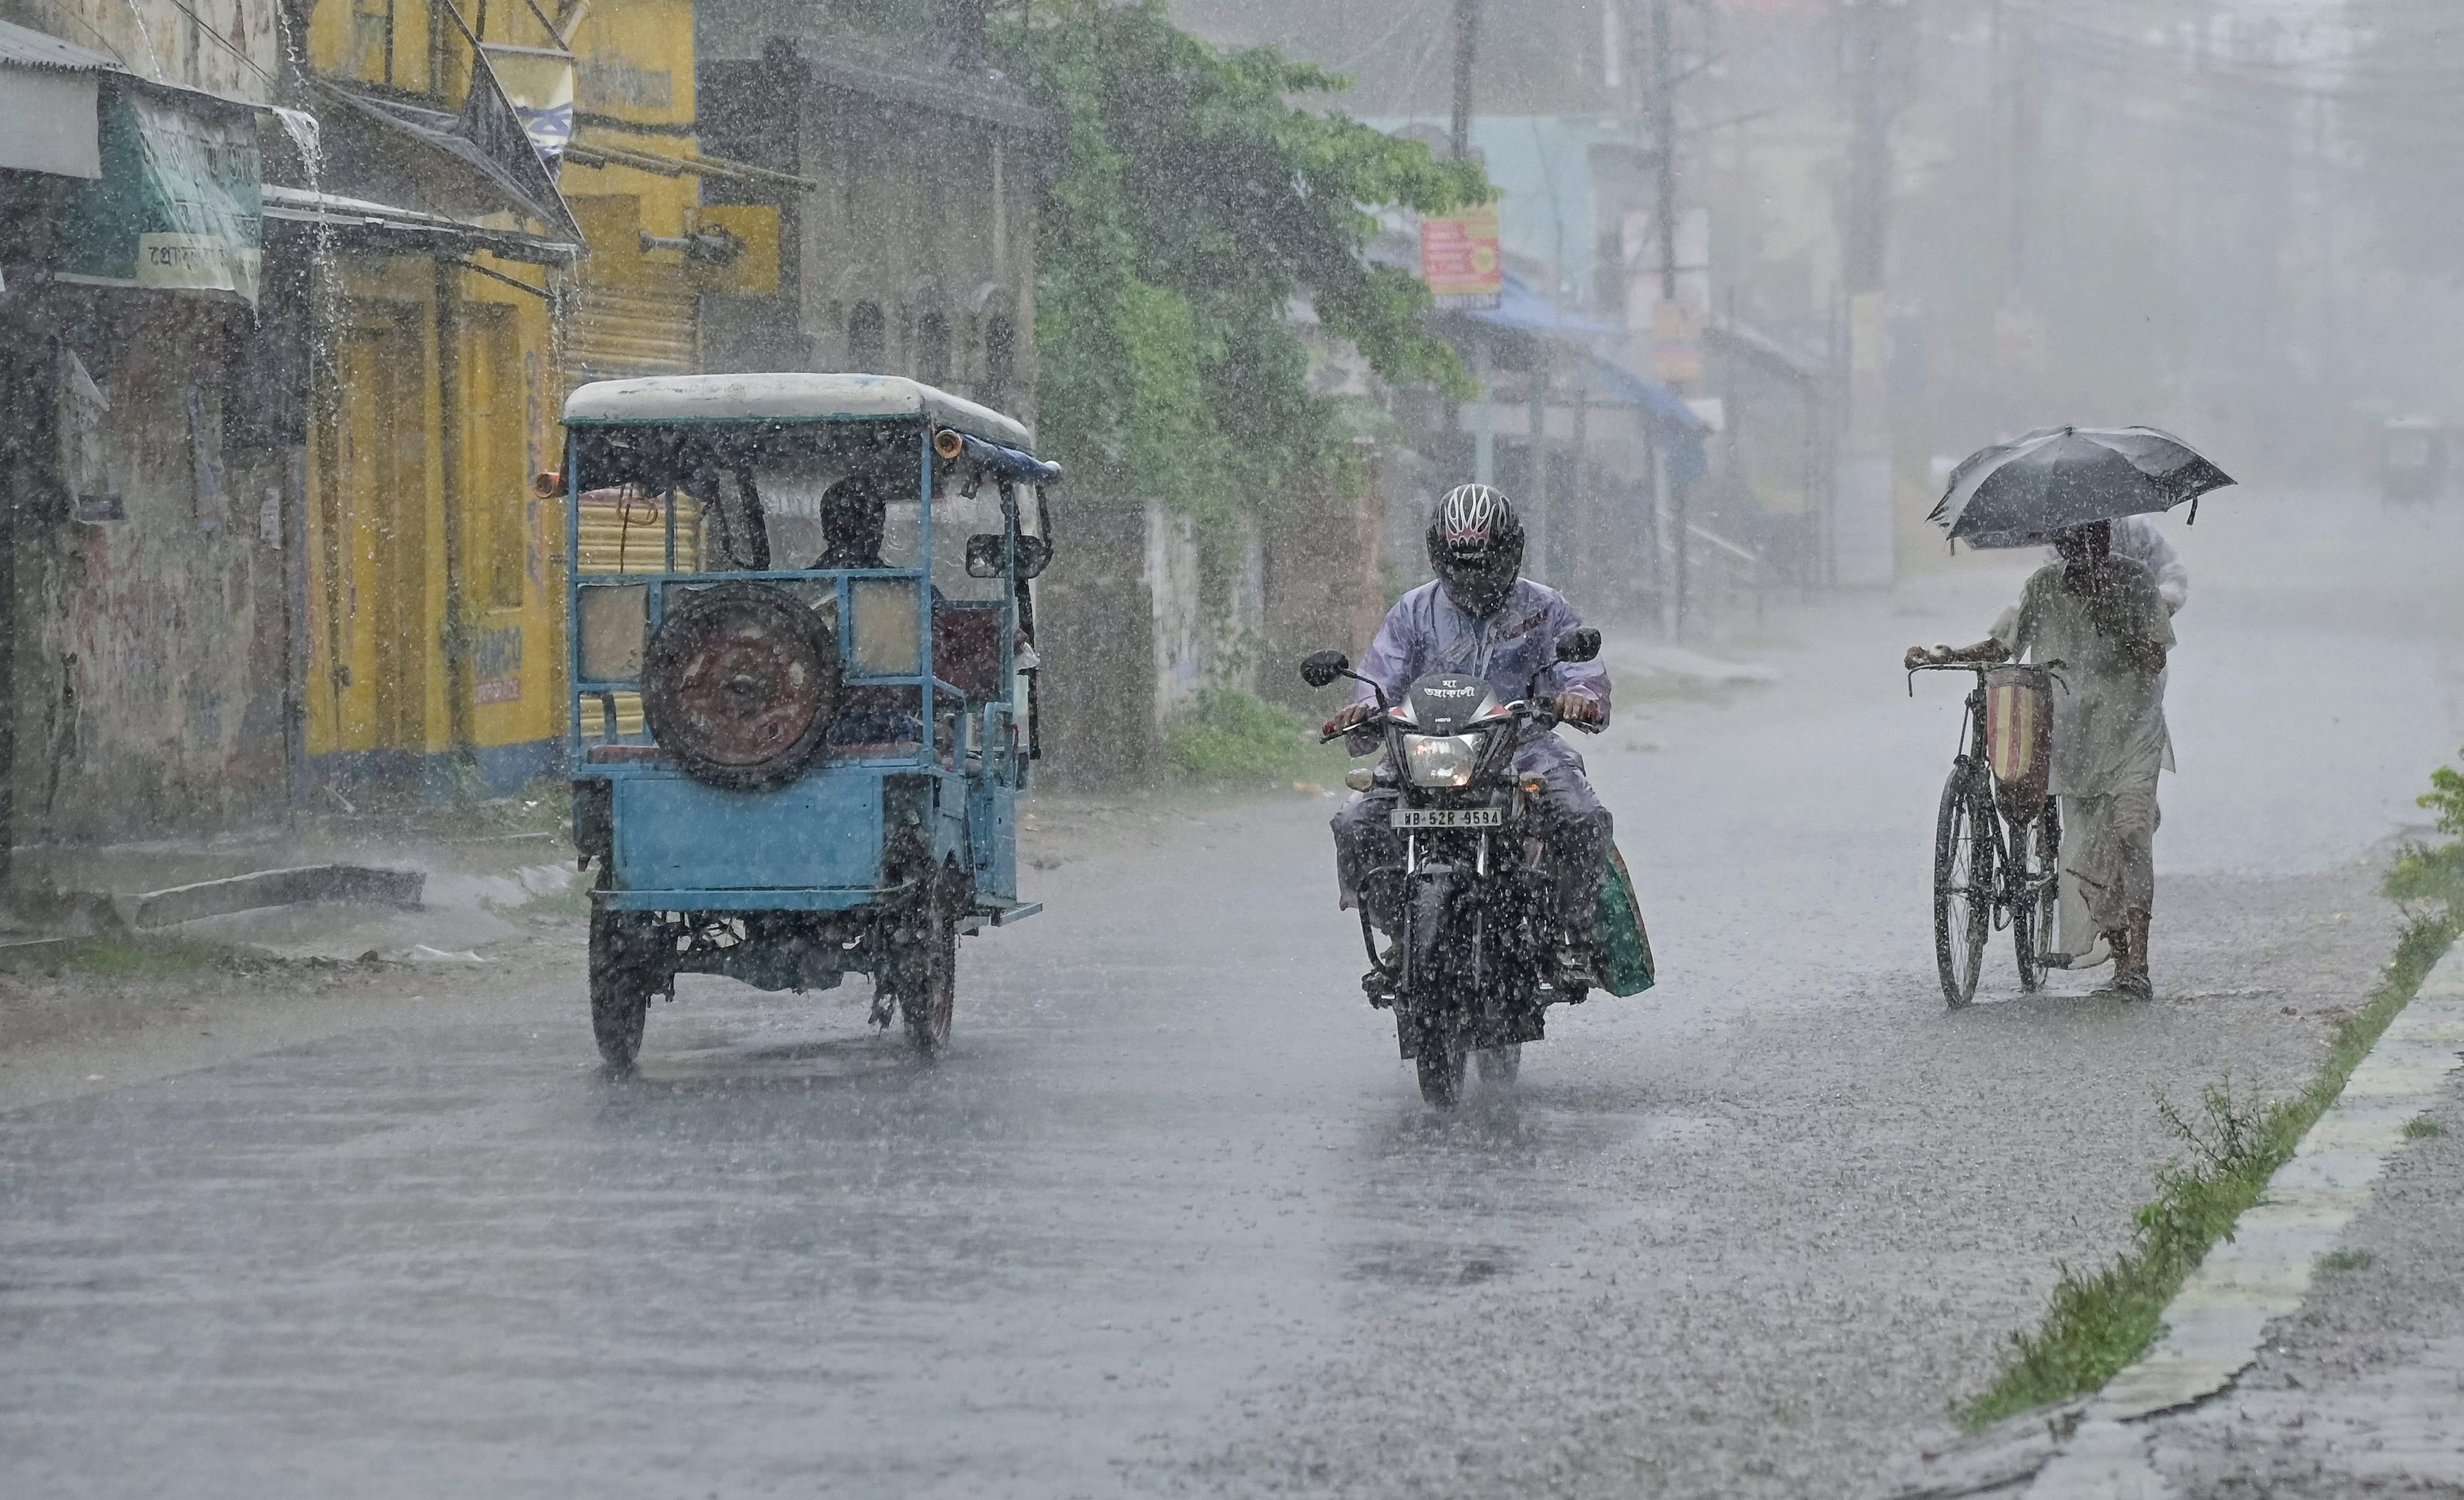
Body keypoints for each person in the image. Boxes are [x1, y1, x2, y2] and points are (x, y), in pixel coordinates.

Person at [1328, 484, 1613, 991]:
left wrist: (1579, 698)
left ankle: (1572, 936)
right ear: (1440, 556)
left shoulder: (1545, 609)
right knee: (1356, 822)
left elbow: (1584, 672)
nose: (1471, 577)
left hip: (1523, 748)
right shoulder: (1414, 611)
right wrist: (1361, 712)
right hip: (1425, 750)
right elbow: (1380, 680)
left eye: (1484, 564)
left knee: (1582, 818)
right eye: (1459, 565)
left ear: (1510, 553)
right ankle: (1403, 934)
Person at [1907, 519, 2175, 1000]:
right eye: (2071, 539)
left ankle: (2139, 960)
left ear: (2105, 537)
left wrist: (2113, 616)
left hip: (2133, 728)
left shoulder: (2135, 580)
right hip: (2077, 740)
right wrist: (1945, 654)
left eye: (2092, 535)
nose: (2082, 546)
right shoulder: (2045, 586)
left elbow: (2154, 657)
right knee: (2087, 850)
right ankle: (2121, 957)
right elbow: (2004, 646)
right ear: (2059, 544)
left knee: (2131, 830)